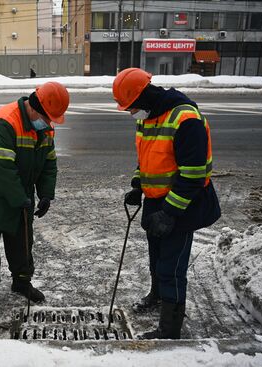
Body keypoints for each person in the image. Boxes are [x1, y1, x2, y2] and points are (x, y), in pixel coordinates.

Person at [112, 68, 221, 339]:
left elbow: (194, 175)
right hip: (155, 201)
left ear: (144, 96)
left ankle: (169, 328)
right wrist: (138, 185)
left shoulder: (186, 119)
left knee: (172, 265)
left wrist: (170, 212)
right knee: (157, 256)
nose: (129, 113)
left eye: (131, 107)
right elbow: (147, 158)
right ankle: (158, 296)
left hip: (184, 205)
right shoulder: (147, 117)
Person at [0, 81, 69, 318]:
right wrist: (19, 197)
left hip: (19, 194)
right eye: (47, 117)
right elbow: (0, 168)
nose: (49, 123)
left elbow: (49, 164)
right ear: (35, 107)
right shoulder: (5, 122)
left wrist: (45, 194)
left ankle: (21, 283)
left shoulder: (45, 127)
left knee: (22, 244)